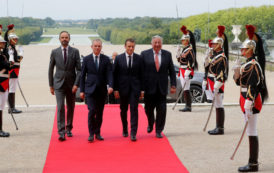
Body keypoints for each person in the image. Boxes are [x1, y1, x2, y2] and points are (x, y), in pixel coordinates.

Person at [233, 25, 268, 172]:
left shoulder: (253, 65)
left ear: (251, 50)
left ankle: (253, 163)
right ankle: (252, 162)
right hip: (245, 98)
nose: (241, 51)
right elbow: (238, 83)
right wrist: (236, 72)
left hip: (250, 100)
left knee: (251, 131)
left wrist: (249, 101)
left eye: (244, 49)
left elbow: (252, 86)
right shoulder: (247, 64)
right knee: (250, 131)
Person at [141, 35, 176, 138]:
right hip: (148, 87)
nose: (157, 44)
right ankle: (151, 122)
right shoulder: (144, 54)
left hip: (162, 87)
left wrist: (173, 85)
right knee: (148, 109)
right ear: (151, 44)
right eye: (155, 42)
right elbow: (141, 72)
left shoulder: (167, 54)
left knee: (162, 109)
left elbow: (172, 71)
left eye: (159, 42)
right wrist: (141, 88)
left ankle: (159, 130)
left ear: (161, 44)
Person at [48, 31, 81, 141]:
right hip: (58, 84)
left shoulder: (75, 52)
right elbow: (50, 69)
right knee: (61, 107)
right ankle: (61, 131)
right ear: (59, 39)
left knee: (71, 107)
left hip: (72, 85)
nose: (64, 39)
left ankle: (69, 129)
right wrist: (51, 85)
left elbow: (79, 70)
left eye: (66, 37)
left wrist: (76, 84)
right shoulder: (54, 52)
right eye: (62, 37)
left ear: (69, 39)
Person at [80, 39, 113, 142]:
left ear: (101, 47)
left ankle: (97, 133)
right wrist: (82, 90)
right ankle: (91, 133)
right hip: (90, 90)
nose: (97, 48)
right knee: (92, 111)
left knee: (99, 113)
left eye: (99, 46)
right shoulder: (86, 59)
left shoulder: (106, 59)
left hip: (102, 90)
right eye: (95, 46)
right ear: (92, 47)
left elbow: (109, 74)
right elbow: (82, 76)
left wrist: (111, 85)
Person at [113, 38, 144, 141]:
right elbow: (115, 75)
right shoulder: (118, 58)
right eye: (129, 46)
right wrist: (116, 89)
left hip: (135, 89)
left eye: (132, 47)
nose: (131, 48)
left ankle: (133, 132)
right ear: (125, 46)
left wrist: (142, 90)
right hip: (122, 89)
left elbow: (142, 75)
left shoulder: (139, 58)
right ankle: (125, 128)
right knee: (123, 110)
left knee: (134, 110)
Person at [206, 25, 229, 135]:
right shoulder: (215, 55)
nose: (213, 45)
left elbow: (221, 73)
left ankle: (220, 127)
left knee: (219, 104)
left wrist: (217, 84)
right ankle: (218, 126)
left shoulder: (222, 57)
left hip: (217, 81)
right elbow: (208, 67)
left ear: (219, 45)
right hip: (211, 80)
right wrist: (207, 58)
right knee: (216, 104)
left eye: (214, 44)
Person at [177, 25, 198, 112]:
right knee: (184, 88)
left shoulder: (190, 50)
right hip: (182, 69)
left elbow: (191, 61)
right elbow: (179, 60)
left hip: (186, 70)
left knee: (186, 88)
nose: (182, 41)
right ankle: (187, 105)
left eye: (183, 40)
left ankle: (188, 106)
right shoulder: (184, 49)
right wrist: (178, 53)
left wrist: (188, 71)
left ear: (187, 41)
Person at [4, 24, 23, 114]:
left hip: (15, 70)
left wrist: (19, 57)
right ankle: (11, 108)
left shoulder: (13, 47)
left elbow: (16, 60)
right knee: (11, 89)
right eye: (14, 39)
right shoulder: (9, 48)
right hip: (12, 71)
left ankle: (12, 107)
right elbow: (11, 60)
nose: (16, 40)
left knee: (13, 89)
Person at [0, 34, 12, 137]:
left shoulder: (2, 54)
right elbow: (6, 65)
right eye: (2, 42)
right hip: (1, 83)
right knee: (0, 107)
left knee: (1, 107)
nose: (4, 43)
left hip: (3, 81)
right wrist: (8, 64)